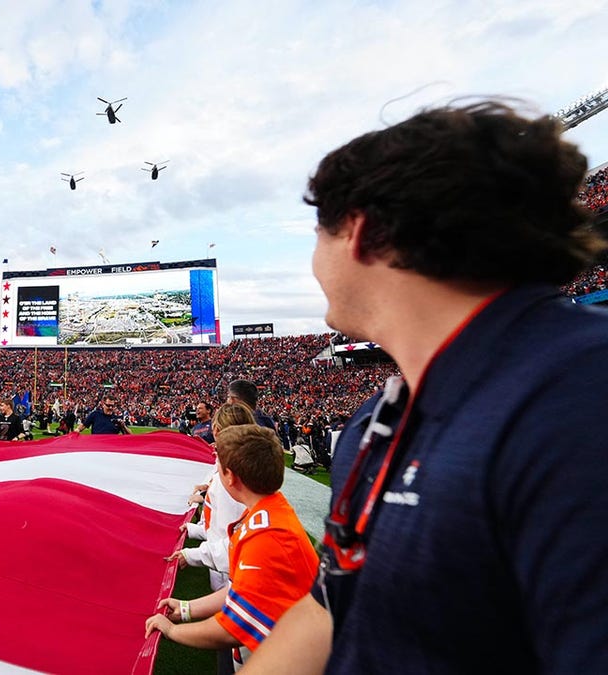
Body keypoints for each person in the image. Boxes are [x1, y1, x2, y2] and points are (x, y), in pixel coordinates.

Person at [244, 101, 608, 674]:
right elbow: (332, 611)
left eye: (319, 233)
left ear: (360, 231)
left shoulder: (580, 400)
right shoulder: (377, 420)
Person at [145, 425, 317, 671]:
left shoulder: (267, 536)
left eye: (218, 465)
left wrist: (173, 630)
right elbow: (241, 590)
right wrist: (186, 609)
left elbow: (234, 626)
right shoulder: (265, 512)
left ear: (230, 477)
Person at [176, 402, 257, 594]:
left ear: (217, 431)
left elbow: (232, 539)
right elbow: (219, 527)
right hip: (229, 574)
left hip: (231, 580)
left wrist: (190, 555)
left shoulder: (231, 479)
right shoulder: (240, 470)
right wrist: (191, 529)